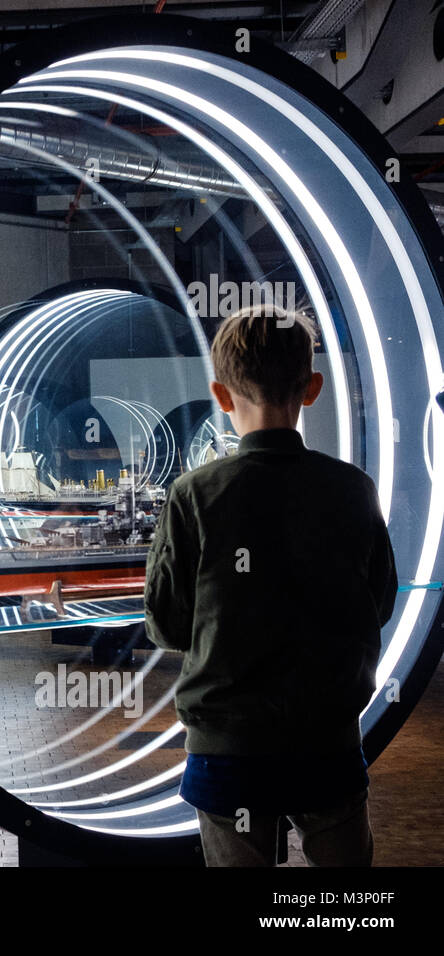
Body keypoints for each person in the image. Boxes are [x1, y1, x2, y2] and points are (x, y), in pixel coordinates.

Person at [144, 303, 398, 866]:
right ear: (311, 388)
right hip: (326, 744)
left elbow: (165, 623)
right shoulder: (352, 489)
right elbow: (378, 602)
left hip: (229, 753)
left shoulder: (194, 494)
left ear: (222, 394)